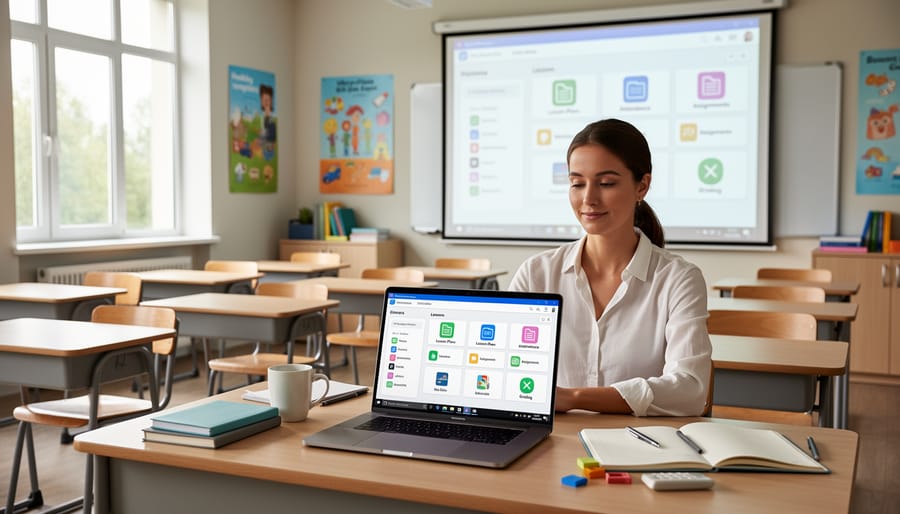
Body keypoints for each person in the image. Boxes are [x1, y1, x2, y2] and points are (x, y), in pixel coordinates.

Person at [508, 118, 711, 416]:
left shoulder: (679, 279)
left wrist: (575, 397)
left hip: (638, 446)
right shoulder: (536, 274)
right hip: (549, 443)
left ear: (642, 185)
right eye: (577, 183)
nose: (588, 198)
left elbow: (689, 390)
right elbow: (503, 374)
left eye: (606, 183)